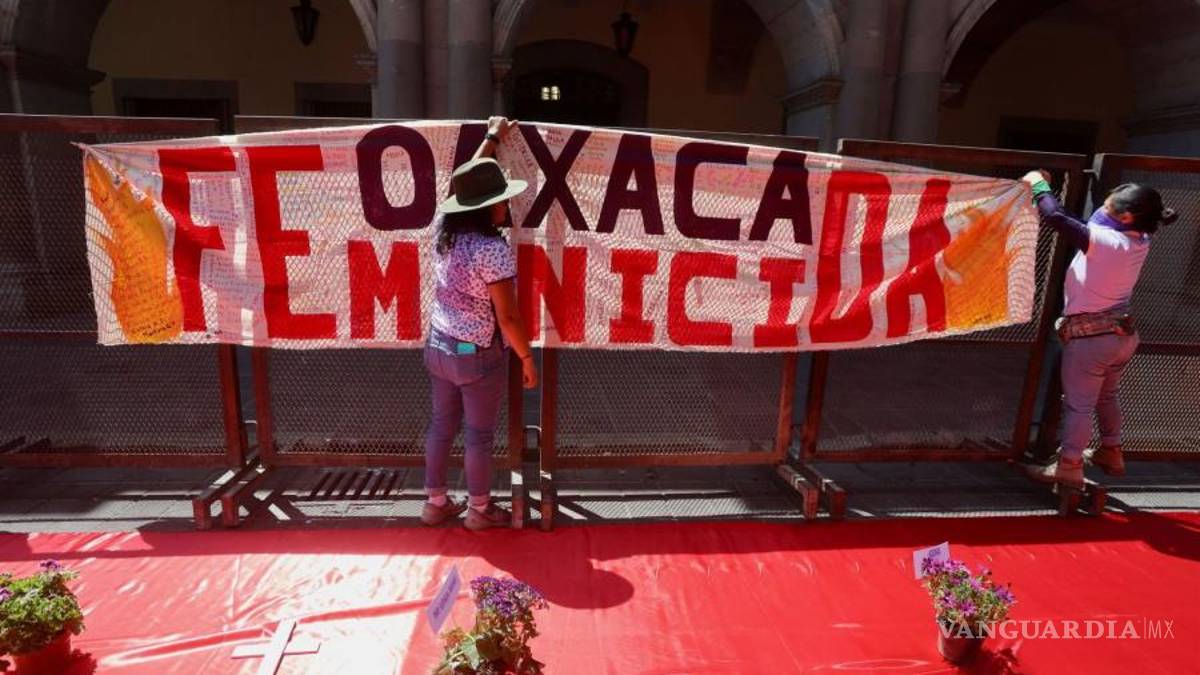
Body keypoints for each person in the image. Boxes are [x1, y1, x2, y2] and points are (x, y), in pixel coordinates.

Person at [1021, 170, 1177, 488]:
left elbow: (1054, 216)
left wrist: (1037, 182)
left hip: (1092, 339)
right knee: (1107, 395)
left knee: (1078, 404)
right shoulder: (1142, 237)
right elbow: (1089, 220)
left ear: (1127, 215)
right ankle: (1111, 450)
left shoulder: (1106, 242)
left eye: (1108, 208)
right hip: (1122, 336)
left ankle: (1069, 466)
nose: (1102, 212)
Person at [421, 117, 539, 530]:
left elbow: (463, 185)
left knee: (440, 424)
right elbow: (507, 316)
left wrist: (491, 138)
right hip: (478, 356)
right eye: (502, 199)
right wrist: (526, 358)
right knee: (478, 435)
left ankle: (434, 503)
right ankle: (479, 509)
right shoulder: (492, 251)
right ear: (489, 205)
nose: (507, 205)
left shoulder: (444, 229)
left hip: (438, 346)